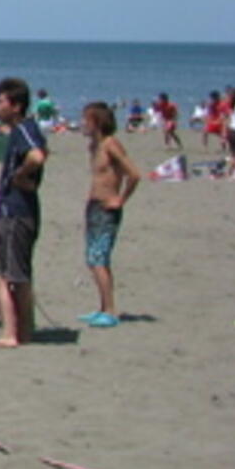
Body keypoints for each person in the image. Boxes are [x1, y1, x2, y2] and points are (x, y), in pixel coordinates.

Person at [0, 77, 48, 350]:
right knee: (8, 272)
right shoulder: (20, 130)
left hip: (17, 211)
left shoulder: (24, 129)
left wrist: (20, 175)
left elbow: (37, 156)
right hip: (15, 211)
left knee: (5, 274)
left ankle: (12, 332)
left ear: (16, 106)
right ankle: (23, 330)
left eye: (1, 102)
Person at [79, 102, 137, 328]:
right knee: (92, 258)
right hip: (94, 206)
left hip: (107, 207)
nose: (83, 123)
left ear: (97, 122)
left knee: (99, 258)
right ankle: (102, 307)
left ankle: (111, 311)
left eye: (87, 119)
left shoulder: (111, 145)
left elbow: (133, 174)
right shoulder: (95, 146)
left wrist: (121, 198)